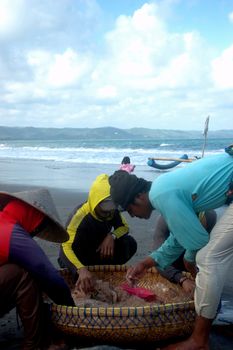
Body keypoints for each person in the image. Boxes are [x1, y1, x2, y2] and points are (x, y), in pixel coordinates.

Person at [109, 151, 233, 350]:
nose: (132, 216)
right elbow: (181, 235)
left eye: (129, 210)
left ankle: (199, 341)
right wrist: (147, 263)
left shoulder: (161, 194)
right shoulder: (162, 186)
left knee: (208, 258)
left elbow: (197, 239)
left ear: (138, 197)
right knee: (203, 256)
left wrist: (190, 260)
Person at [0, 188, 75, 350]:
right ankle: (35, 345)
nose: (34, 234)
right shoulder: (10, 231)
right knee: (24, 274)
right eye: (37, 230)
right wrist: (72, 310)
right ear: (34, 220)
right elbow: (47, 273)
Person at [58, 174, 137, 294]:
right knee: (70, 261)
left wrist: (112, 236)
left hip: (98, 253)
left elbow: (124, 228)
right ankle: (82, 275)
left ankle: (103, 272)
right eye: (104, 209)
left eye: (111, 208)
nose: (108, 213)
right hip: (77, 256)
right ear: (96, 201)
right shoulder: (80, 215)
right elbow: (65, 246)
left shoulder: (112, 210)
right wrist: (80, 269)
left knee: (129, 243)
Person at [153, 211, 216, 294]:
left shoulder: (210, 217)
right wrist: (182, 279)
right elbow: (158, 259)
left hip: (197, 262)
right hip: (174, 264)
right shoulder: (164, 220)